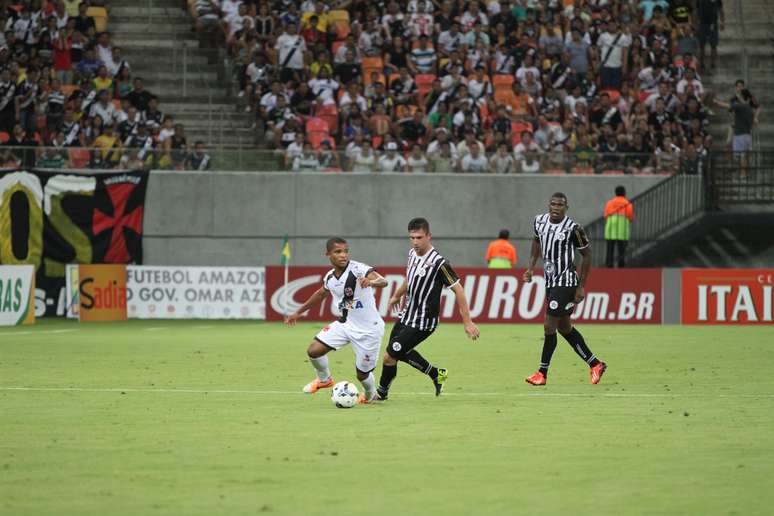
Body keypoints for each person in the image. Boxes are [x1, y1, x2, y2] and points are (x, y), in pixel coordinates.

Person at [375, 217, 480, 400]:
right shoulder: (412, 254)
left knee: (389, 356)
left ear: (429, 236)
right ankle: (436, 374)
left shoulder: (439, 263)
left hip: (424, 321)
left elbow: (459, 289)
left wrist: (467, 321)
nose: (415, 242)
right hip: (407, 314)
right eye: (412, 237)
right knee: (397, 352)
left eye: (419, 237)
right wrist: (396, 295)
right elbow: (410, 278)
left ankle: (380, 394)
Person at [284, 237, 388, 404]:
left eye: (345, 251)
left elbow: (383, 281)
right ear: (328, 254)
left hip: (369, 330)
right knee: (314, 351)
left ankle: (370, 394)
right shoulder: (330, 277)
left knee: (362, 374)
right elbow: (320, 294)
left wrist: (371, 281)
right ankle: (325, 380)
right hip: (345, 324)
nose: (343, 255)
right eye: (338, 252)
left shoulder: (358, 269)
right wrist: (298, 312)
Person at [523, 193, 607, 386]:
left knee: (548, 325)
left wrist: (581, 286)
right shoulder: (539, 221)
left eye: (560, 205)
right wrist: (530, 267)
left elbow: (587, 255)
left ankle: (542, 373)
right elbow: (536, 242)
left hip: (566, 282)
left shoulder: (573, 229)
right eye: (553, 204)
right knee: (564, 327)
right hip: (550, 281)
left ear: (566, 208)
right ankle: (595, 364)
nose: (555, 207)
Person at [603, 186, 634, 268]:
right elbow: (630, 217)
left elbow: (606, 215)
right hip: (622, 229)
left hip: (611, 228)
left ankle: (609, 265)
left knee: (610, 249)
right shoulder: (627, 203)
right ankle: (621, 265)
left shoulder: (610, 203)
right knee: (621, 250)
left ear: (615, 193)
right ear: (624, 193)